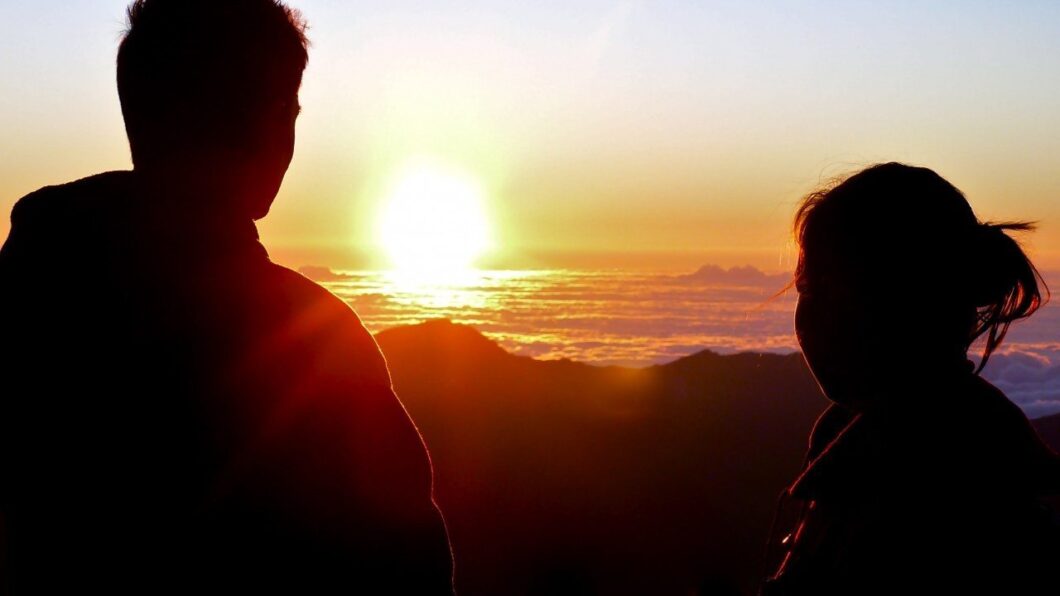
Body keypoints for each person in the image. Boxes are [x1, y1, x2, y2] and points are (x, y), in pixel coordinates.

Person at [0, 1, 453, 593]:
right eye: (287, 110)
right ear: (270, 125)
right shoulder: (314, 344)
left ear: (139, 113)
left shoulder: (30, 288)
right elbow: (407, 572)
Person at [762, 163, 1060, 595]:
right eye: (808, 288)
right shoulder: (844, 434)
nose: (813, 320)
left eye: (836, 288)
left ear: (913, 303)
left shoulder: (955, 491)